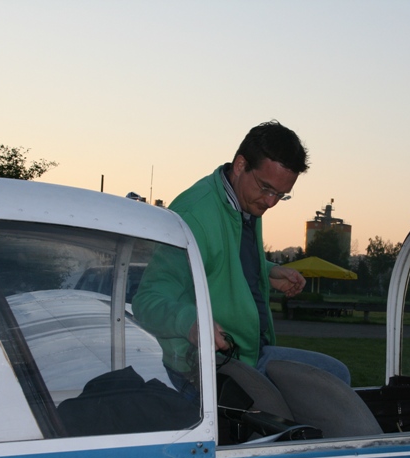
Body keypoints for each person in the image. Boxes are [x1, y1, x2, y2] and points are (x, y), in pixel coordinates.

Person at [133, 120, 350, 393]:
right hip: (205, 369)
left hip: (249, 355)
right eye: (266, 188)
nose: (271, 202)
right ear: (240, 165)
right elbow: (147, 300)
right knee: (331, 386)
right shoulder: (194, 216)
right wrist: (191, 323)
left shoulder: (245, 201)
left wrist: (267, 271)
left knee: (335, 376)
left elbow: (220, 260)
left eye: (281, 195)